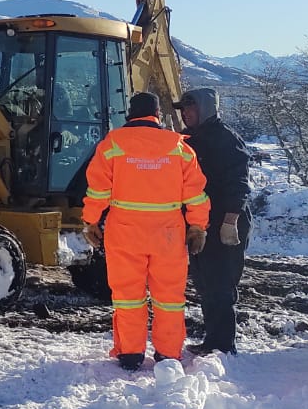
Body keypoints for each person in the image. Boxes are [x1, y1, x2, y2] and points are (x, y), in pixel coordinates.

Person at [82, 92, 210, 371]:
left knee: (128, 296)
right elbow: (195, 193)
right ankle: (168, 355)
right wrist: (197, 226)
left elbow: (98, 189)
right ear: (157, 115)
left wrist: (90, 221)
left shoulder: (112, 143)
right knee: (169, 297)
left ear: (130, 113)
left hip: (124, 232)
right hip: (168, 234)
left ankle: (130, 354)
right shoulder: (178, 146)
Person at [174, 87, 251, 356]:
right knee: (205, 283)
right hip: (200, 224)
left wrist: (231, 220)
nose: (185, 113)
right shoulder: (189, 139)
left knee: (220, 284)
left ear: (205, 108)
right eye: (183, 109)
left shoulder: (225, 139)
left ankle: (223, 346)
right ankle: (213, 340)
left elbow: (239, 184)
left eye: (190, 108)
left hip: (223, 221)